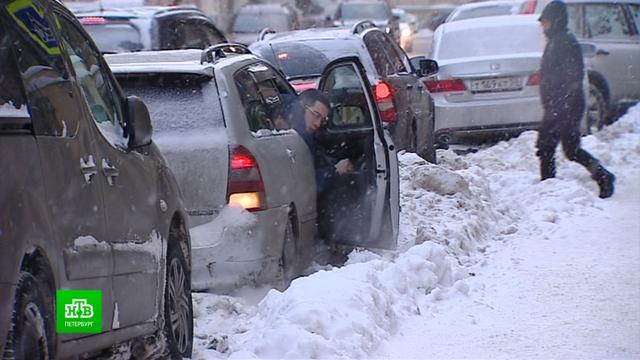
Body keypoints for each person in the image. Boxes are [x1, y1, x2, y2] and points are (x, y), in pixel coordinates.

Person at [536, 0, 615, 199]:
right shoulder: (557, 41)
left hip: (565, 105)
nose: (543, 27)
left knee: (564, 149)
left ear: (555, 21)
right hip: (559, 104)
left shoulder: (564, 42)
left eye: (545, 22)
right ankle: (549, 189)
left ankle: (603, 176)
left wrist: (560, 105)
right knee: (550, 146)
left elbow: (570, 77)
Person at [288, 88, 354, 193]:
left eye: (322, 120)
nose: (317, 124)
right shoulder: (296, 138)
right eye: (316, 115)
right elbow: (306, 182)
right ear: (301, 108)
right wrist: (335, 171)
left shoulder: (302, 134)